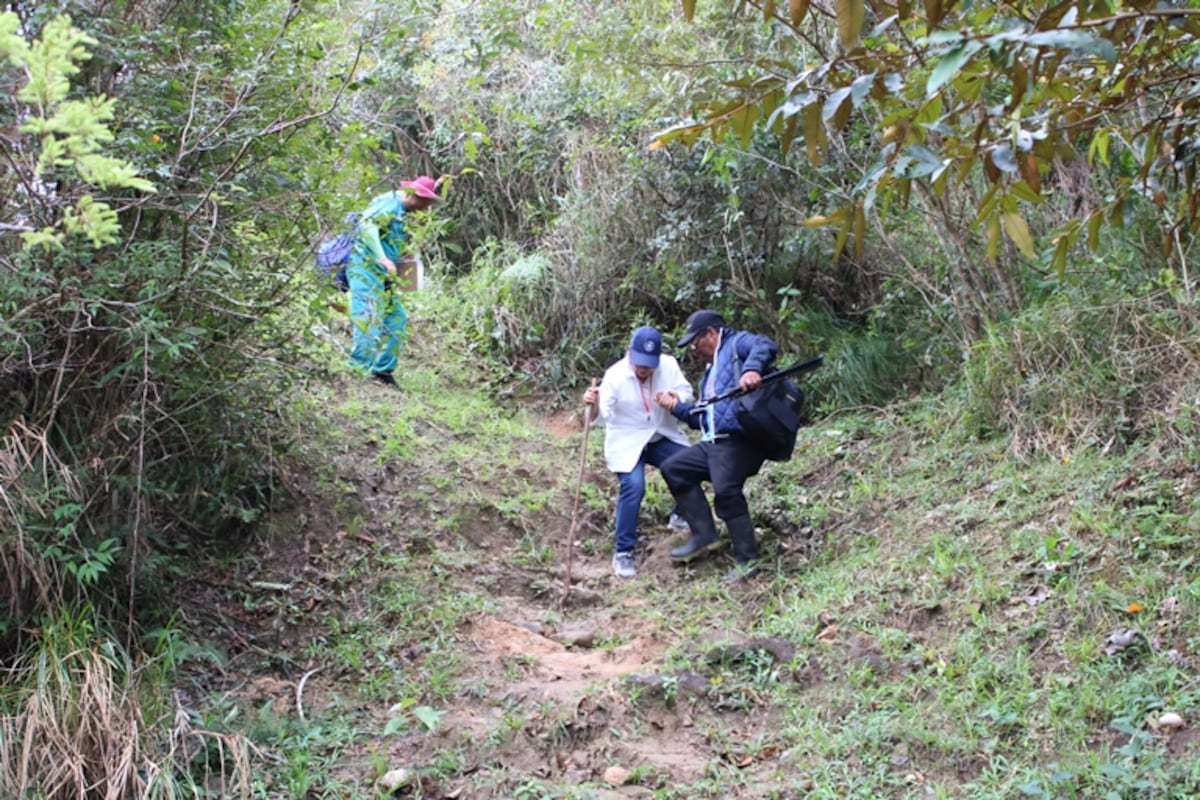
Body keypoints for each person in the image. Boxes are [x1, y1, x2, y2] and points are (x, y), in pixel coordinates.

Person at [656, 309, 779, 582]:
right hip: (714, 442)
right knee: (674, 468)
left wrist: (751, 369)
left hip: (740, 439)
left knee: (726, 489)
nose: (694, 350)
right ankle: (704, 535)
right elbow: (703, 418)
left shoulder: (736, 344)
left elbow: (765, 345)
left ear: (711, 333)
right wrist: (676, 407)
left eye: (695, 342)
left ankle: (748, 561)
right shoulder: (709, 373)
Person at [584, 326, 694, 578]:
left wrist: (675, 397)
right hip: (628, 441)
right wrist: (594, 403)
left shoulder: (669, 365)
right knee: (634, 486)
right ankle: (623, 551)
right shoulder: (615, 375)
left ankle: (681, 515)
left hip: (660, 435)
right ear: (629, 354)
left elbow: (687, 394)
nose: (644, 369)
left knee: (691, 462)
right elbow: (601, 417)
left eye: (649, 365)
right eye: (639, 363)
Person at [346, 175, 440, 387]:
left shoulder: (406, 213)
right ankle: (357, 369)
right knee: (368, 315)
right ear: (417, 197)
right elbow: (366, 225)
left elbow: (394, 239)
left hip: (385, 275)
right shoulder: (390, 201)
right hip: (365, 268)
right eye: (427, 203)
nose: (427, 208)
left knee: (397, 320)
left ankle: (382, 372)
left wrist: (404, 258)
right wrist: (382, 257)